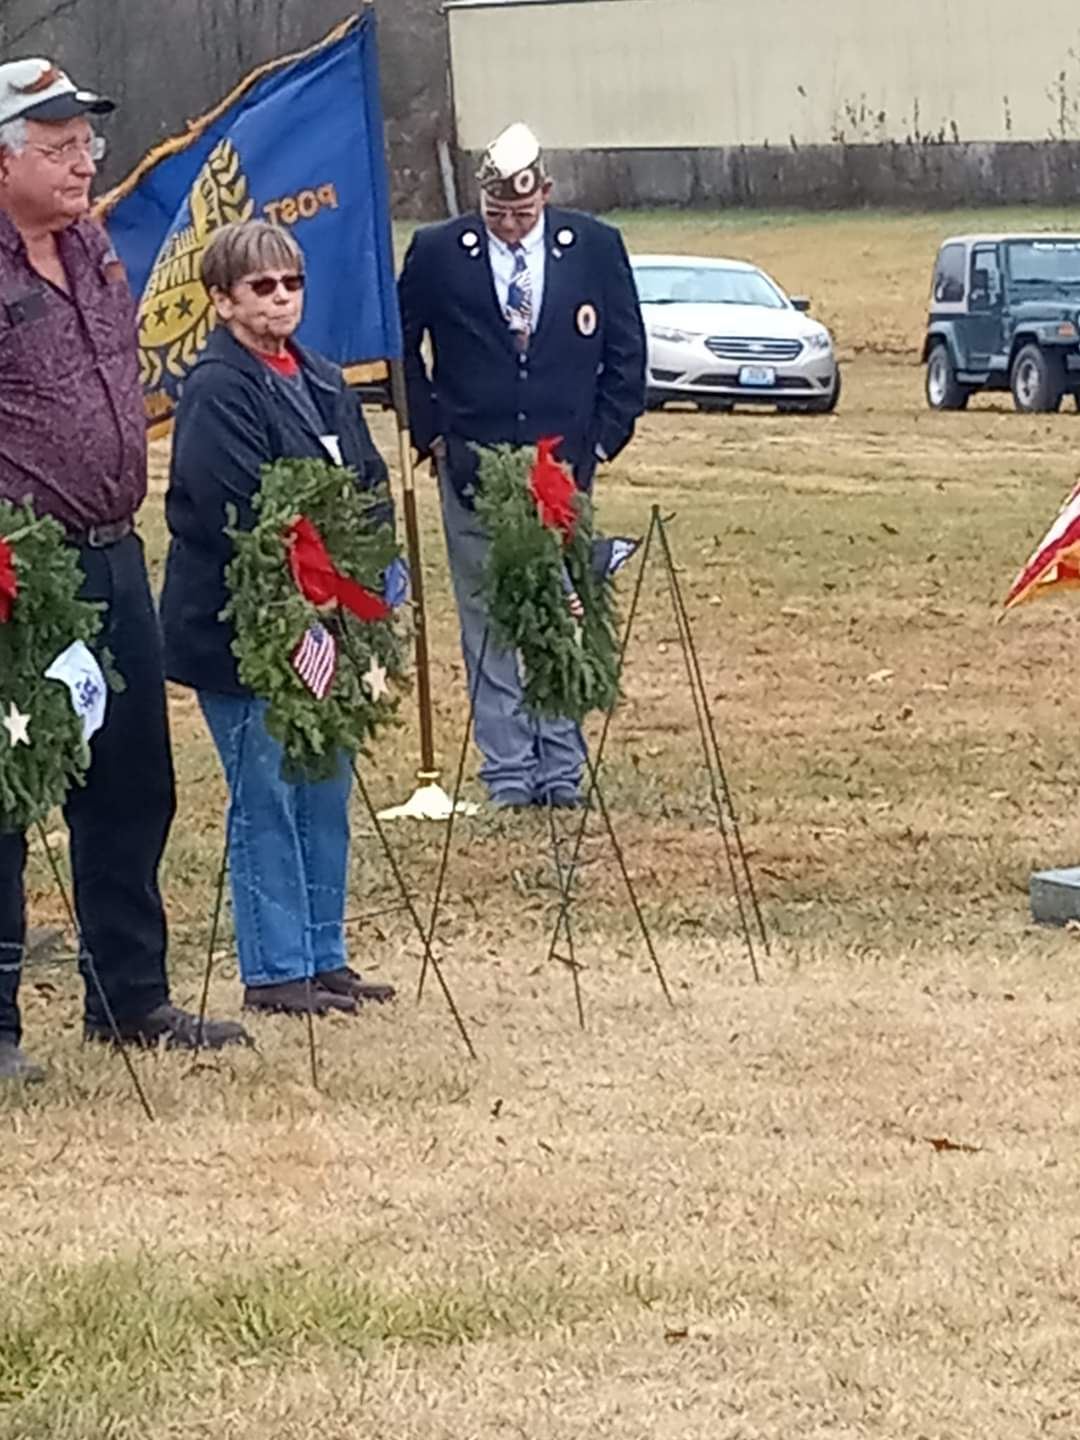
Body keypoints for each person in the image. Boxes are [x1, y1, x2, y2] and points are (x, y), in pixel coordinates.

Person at [0, 58, 250, 1083]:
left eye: (84, 145)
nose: (80, 163)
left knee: (132, 780)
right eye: (57, 149)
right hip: (22, 570)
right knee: (10, 793)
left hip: (114, 557)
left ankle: (129, 997)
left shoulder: (93, 246)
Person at [161, 220, 397, 1018]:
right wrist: (302, 592)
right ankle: (274, 968)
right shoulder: (217, 387)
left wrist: (362, 567)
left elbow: (365, 480)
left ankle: (323, 953)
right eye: (262, 287)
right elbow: (237, 507)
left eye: (292, 283)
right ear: (223, 300)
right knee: (264, 790)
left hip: (330, 619)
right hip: (246, 627)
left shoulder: (324, 377)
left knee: (323, 785)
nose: (281, 299)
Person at [399, 122, 647, 810]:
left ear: (546, 193)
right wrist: (433, 433)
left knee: (562, 610)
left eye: (521, 212)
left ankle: (560, 767)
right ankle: (508, 772)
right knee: (487, 618)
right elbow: (400, 345)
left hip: (562, 469)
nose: (509, 227)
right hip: (473, 462)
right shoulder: (439, 252)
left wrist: (601, 441)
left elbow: (626, 350)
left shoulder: (594, 247)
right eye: (496, 214)